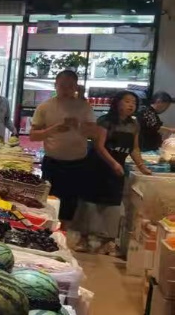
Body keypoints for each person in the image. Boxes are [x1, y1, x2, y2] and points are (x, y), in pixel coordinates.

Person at [29, 70, 112, 231]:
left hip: (77, 164)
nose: (66, 89)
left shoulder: (84, 107)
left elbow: (95, 134)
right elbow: (33, 136)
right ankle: (47, 231)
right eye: (62, 85)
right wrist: (53, 130)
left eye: (70, 86)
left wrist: (79, 126)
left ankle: (63, 233)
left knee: (70, 205)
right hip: (53, 163)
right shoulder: (45, 107)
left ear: (76, 87)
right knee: (47, 201)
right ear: (55, 85)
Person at [76, 91, 152, 255]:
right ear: (117, 103)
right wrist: (113, 163)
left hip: (117, 169)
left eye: (134, 102)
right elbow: (99, 146)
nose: (131, 105)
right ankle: (84, 239)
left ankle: (107, 242)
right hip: (98, 166)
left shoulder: (134, 124)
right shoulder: (105, 121)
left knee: (113, 204)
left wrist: (142, 166)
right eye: (127, 101)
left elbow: (134, 148)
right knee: (91, 202)